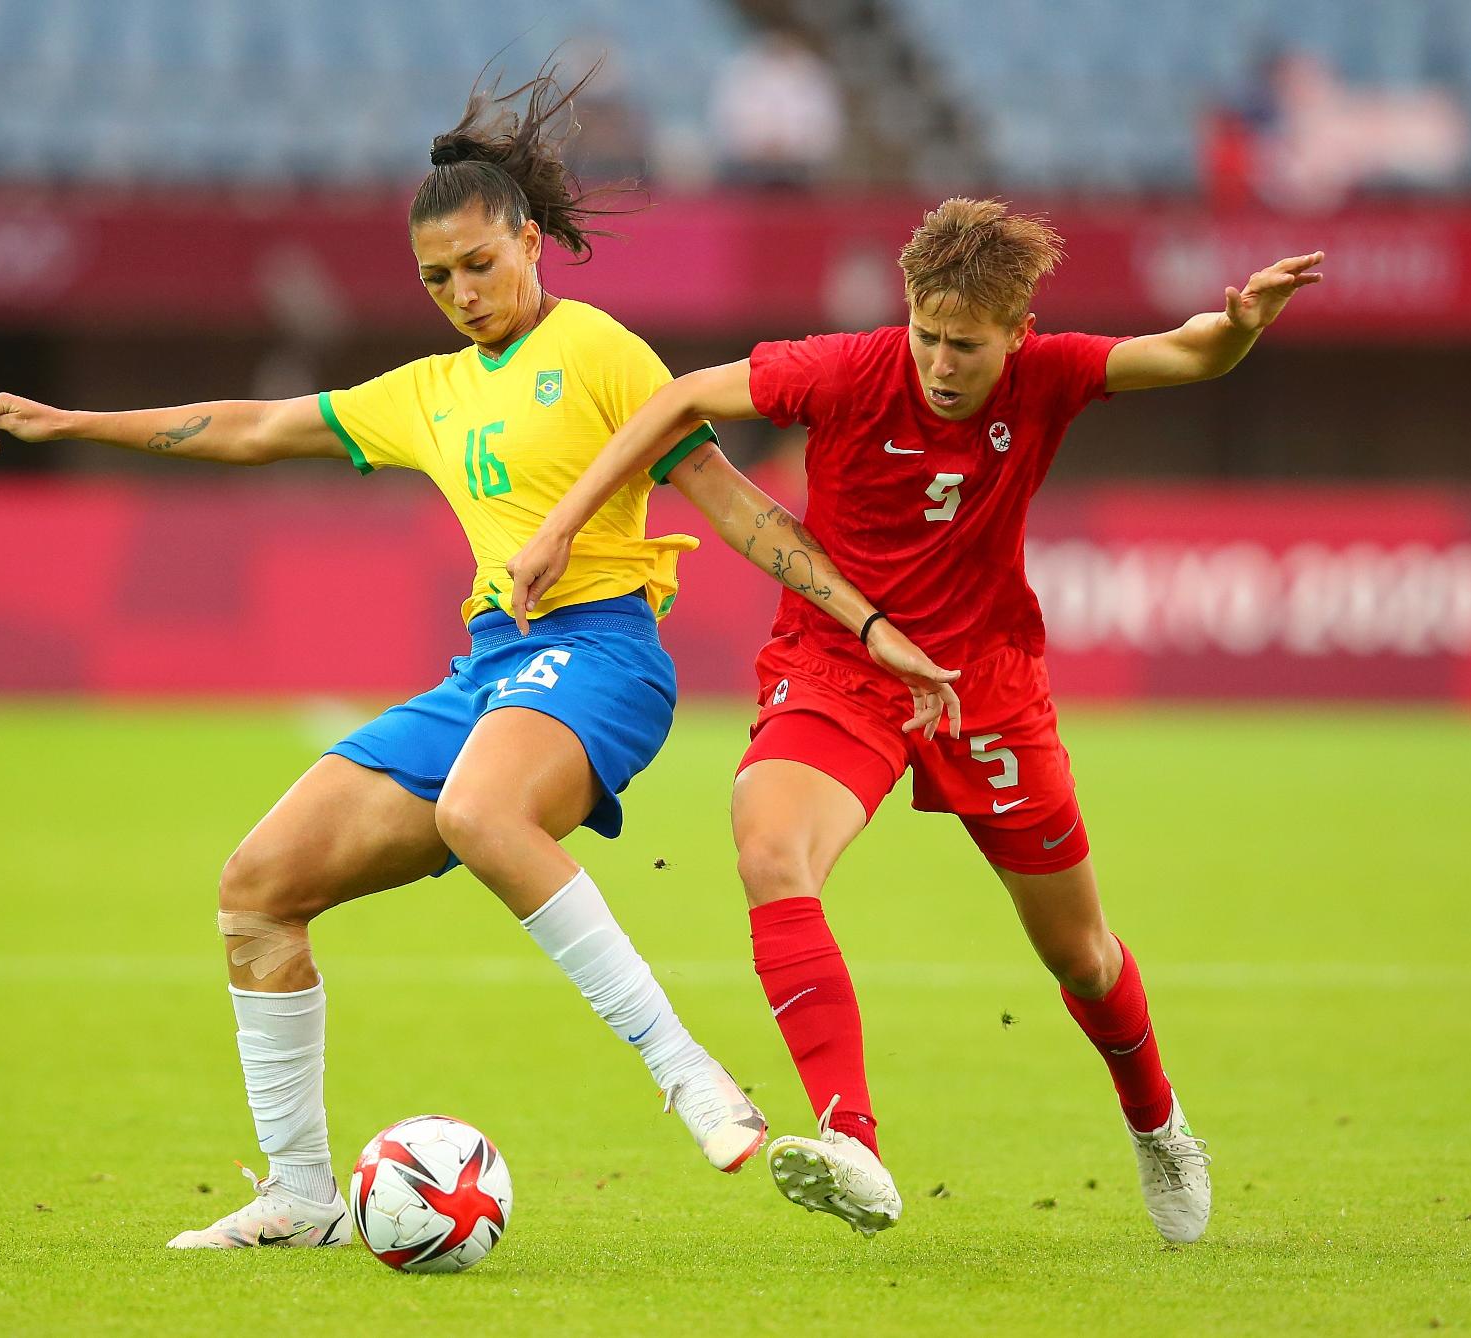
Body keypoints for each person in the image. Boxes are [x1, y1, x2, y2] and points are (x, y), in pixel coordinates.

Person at [0, 67, 954, 1252]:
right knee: (257, 893)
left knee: (482, 812)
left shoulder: (602, 352)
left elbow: (733, 506)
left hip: (604, 659)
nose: (463, 294)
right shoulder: (425, 392)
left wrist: (869, 624)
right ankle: (304, 1194)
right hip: (490, 670)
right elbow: (255, 426)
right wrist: (68, 424)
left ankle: (688, 1073)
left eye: (479, 264)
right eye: (436, 279)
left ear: (531, 242)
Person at [508, 197, 1323, 1244]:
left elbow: (1187, 355)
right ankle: (852, 1140)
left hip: (985, 681)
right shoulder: (845, 369)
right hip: (839, 664)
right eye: (928, 335)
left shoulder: (1052, 375)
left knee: (1080, 956)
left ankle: (1157, 1121)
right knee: (769, 845)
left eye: (967, 346)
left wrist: (1242, 323)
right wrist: (561, 527)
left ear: (1016, 336)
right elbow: (678, 402)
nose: (941, 362)